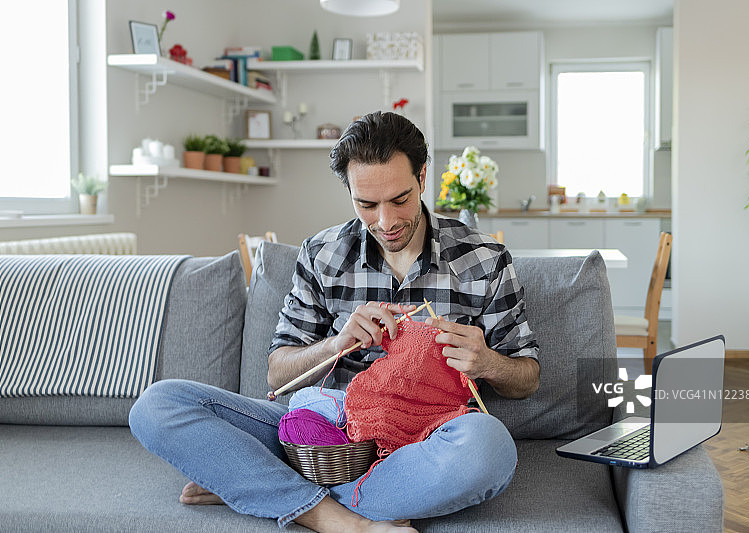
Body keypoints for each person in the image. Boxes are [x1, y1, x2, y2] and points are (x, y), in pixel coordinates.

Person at [129, 111, 540, 533]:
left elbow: (527, 378)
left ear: (421, 178)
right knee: (158, 404)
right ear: (349, 193)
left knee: (489, 448)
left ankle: (258, 483)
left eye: (399, 199)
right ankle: (335, 518)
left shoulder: (484, 259)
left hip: (426, 437)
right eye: (367, 205)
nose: (386, 221)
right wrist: (335, 343)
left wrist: (488, 362)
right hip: (323, 430)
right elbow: (278, 370)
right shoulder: (323, 254)